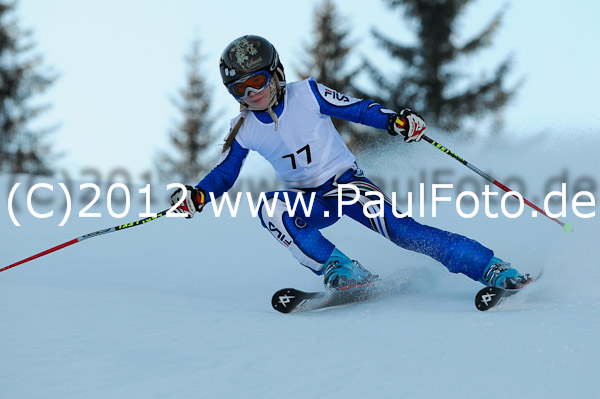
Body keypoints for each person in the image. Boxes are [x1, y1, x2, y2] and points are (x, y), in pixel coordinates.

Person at [170, 35, 530, 291]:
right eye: (240, 90)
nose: (253, 94)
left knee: (405, 233)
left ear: (276, 73)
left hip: (347, 186)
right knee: (270, 208)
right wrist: (197, 196)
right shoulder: (243, 128)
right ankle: (342, 270)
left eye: (258, 81)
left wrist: (394, 121)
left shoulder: (307, 93)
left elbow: (355, 109)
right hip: (307, 200)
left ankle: (492, 268)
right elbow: (224, 174)